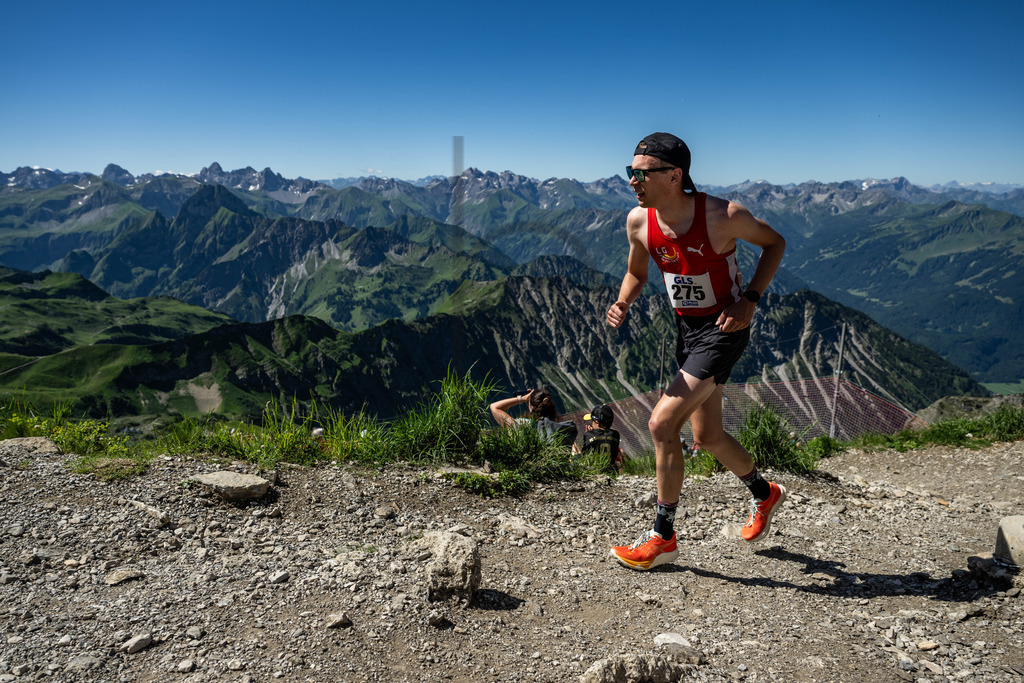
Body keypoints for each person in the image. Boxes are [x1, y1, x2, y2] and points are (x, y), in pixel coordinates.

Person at [607, 132, 788, 571]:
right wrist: (622, 301)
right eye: (629, 172)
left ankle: (662, 536)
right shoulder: (639, 222)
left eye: (640, 173)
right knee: (706, 437)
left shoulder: (724, 216)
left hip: (725, 328)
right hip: (687, 331)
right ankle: (766, 494)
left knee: (661, 423)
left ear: (674, 175)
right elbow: (637, 273)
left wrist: (751, 298)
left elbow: (774, 244)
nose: (632, 181)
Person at [489, 389, 578, 447]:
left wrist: (522, 398)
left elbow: (495, 407)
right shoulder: (562, 430)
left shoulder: (520, 425)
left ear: (531, 406)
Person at [578, 404, 622, 473]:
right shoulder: (616, 434)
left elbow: (585, 455)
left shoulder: (588, 435)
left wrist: (588, 434)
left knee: (575, 456)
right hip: (612, 471)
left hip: (594, 470)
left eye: (592, 420)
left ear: (597, 422)